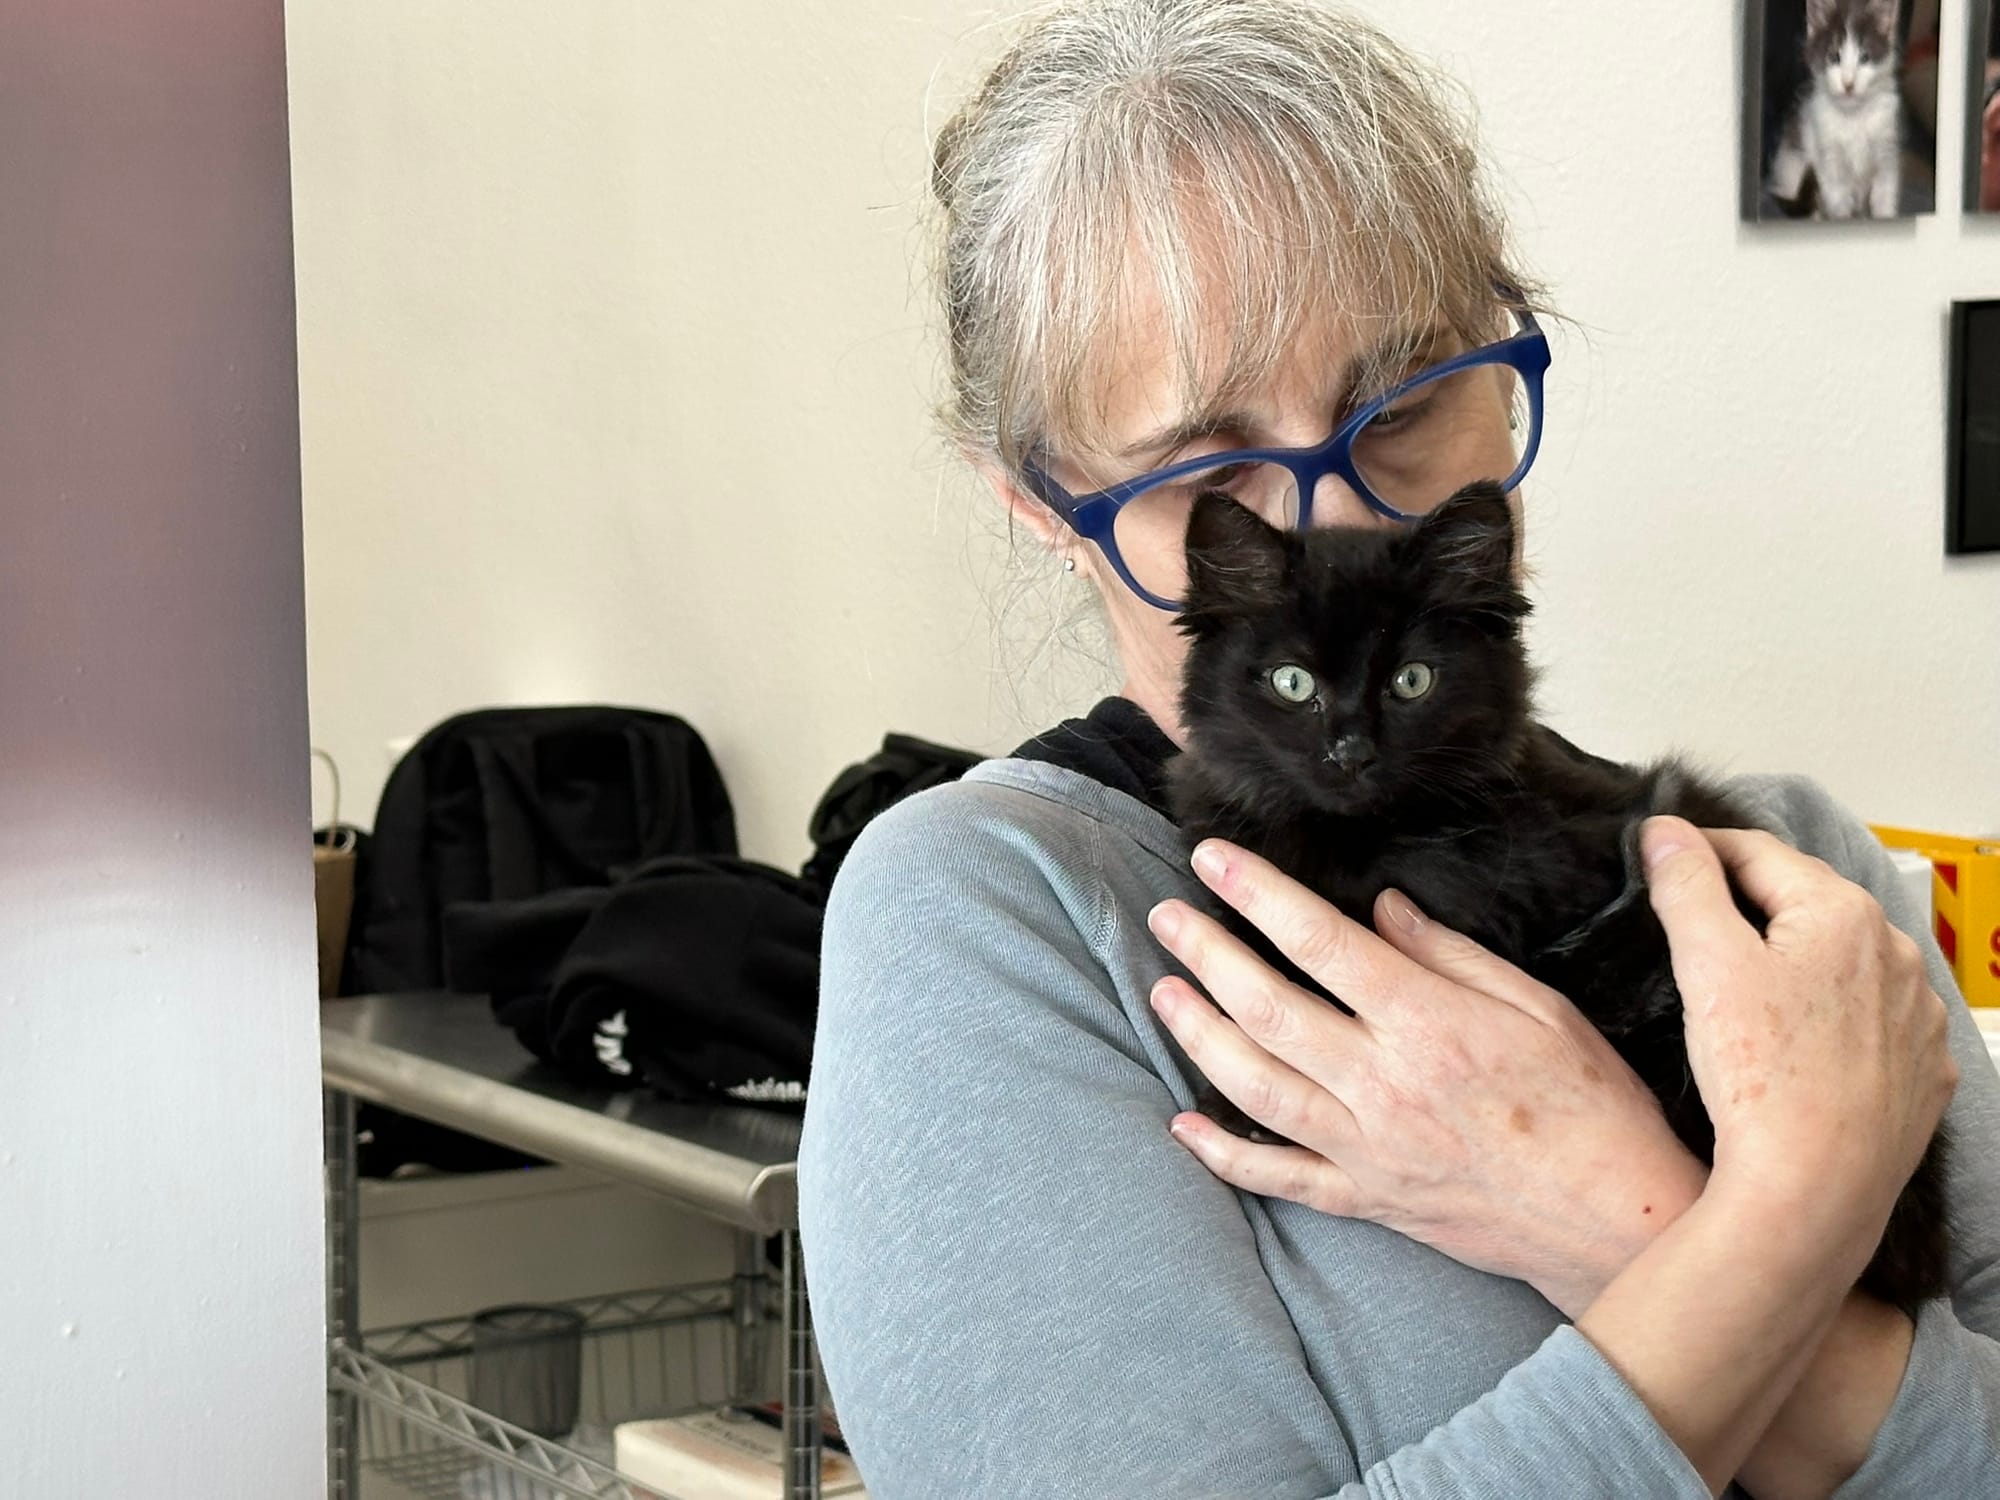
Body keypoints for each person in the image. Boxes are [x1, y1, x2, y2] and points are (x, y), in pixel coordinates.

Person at [797, 2, 2000, 1495]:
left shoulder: (1783, 867)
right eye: (1210, 463)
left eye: (1408, 401)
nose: (1337, 522)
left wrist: (1605, 1208)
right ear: (1041, 499)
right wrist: (1757, 1230)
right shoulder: (997, 921)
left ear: (1501, 378)